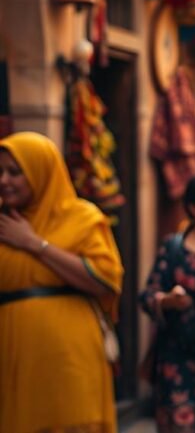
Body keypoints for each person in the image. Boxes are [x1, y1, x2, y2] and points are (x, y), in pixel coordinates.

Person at [0, 132, 124, 433]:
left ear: (42, 171)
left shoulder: (81, 218)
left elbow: (105, 280)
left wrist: (33, 243)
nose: (4, 180)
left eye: (15, 172)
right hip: (11, 354)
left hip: (69, 358)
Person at [140, 174, 195, 433]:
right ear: (192, 207)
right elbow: (147, 295)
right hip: (178, 356)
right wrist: (168, 301)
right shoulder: (174, 248)